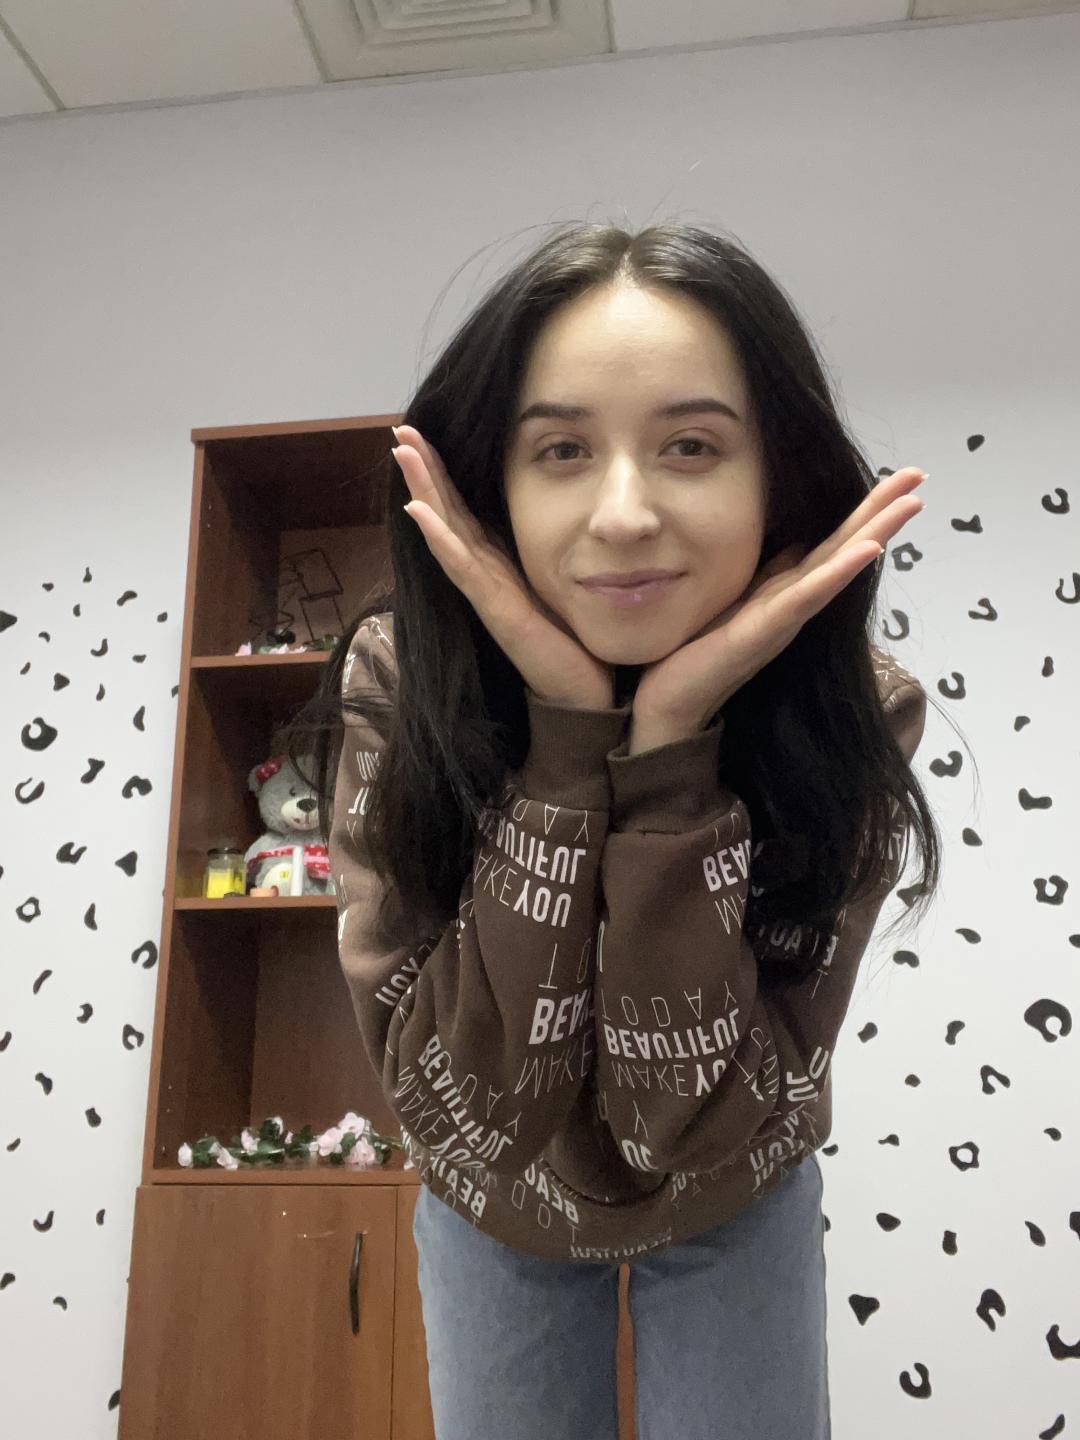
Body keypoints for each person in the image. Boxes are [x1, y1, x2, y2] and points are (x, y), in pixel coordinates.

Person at [287, 220, 943, 1440]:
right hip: (493, 1198)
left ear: (778, 476)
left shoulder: (854, 711)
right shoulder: (404, 677)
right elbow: (474, 1115)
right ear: (494, 484)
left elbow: (679, 1123)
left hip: (737, 1177)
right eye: (562, 450)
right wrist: (567, 748)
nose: (626, 513)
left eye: (691, 445)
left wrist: (672, 751)